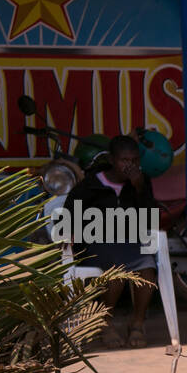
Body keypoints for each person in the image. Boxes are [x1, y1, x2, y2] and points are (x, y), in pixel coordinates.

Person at [63, 135, 159, 347]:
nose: (130, 165)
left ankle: (137, 324)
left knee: (147, 271)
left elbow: (151, 218)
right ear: (113, 160)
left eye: (135, 160)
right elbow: (68, 215)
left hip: (130, 244)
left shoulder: (141, 183)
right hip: (96, 245)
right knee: (116, 271)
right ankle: (105, 323)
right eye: (125, 160)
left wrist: (139, 189)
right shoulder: (90, 185)